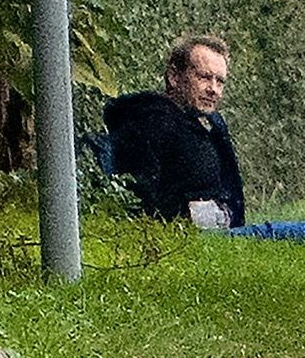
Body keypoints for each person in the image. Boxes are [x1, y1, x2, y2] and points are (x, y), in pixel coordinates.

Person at [103, 34, 246, 228]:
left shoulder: (209, 123)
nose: (214, 89)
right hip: (194, 232)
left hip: (226, 229)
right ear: (174, 77)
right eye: (204, 77)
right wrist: (208, 215)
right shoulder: (150, 122)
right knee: (299, 232)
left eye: (219, 81)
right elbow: (144, 199)